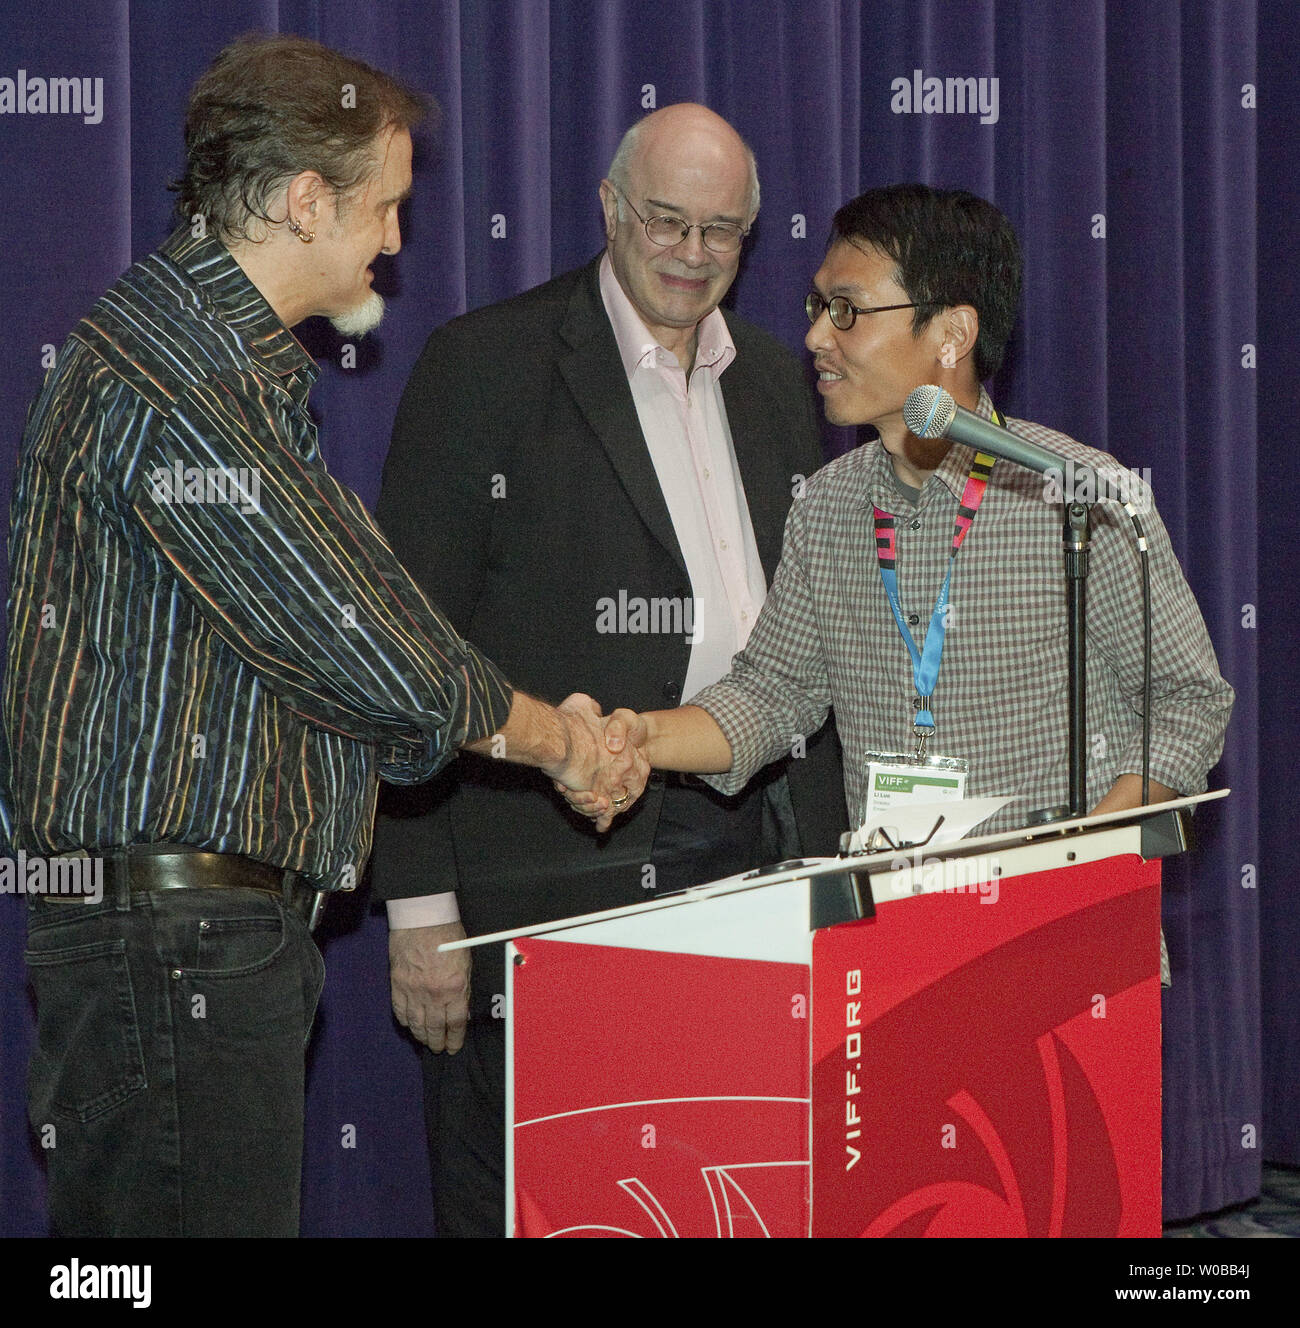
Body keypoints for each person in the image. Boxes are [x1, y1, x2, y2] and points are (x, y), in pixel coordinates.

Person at [3, 33, 645, 1239]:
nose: (398, 244)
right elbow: (361, 639)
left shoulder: (201, 359)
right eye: (386, 207)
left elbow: (338, 634)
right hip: (176, 947)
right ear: (306, 200)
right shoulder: (185, 376)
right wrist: (559, 739)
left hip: (178, 942)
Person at [372, 102, 847, 1237]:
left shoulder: (780, 381)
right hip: (546, 871)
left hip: (756, 846)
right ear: (608, 210)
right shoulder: (485, 364)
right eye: (666, 223)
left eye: (722, 231)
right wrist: (420, 901)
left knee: (725, 1181)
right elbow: (403, 649)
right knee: (547, 1199)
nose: (692, 256)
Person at [575, 185, 1233, 848]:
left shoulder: (1080, 495)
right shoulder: (827, 507)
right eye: (818, 305)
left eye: (846, 311)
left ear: (952, 334)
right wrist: (643, 736)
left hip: (1057, 927)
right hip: (902, 926)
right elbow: (771, 695)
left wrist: (1085, 852)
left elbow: (1188, 705)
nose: (814, 337)